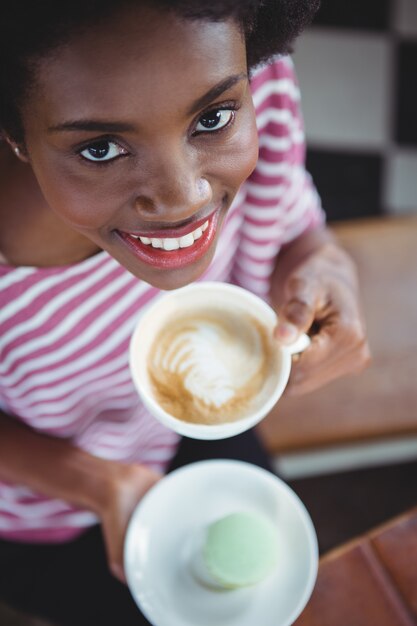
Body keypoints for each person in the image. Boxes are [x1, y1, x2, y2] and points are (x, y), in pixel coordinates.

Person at [0, 1, 370, 624]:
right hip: (39, 514)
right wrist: (96, 483)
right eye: (99, 149)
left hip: (192, 430)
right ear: (14, 133)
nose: (183, 198)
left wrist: (325, 261)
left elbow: (297, 226)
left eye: (214, 118)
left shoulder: (259, 76)